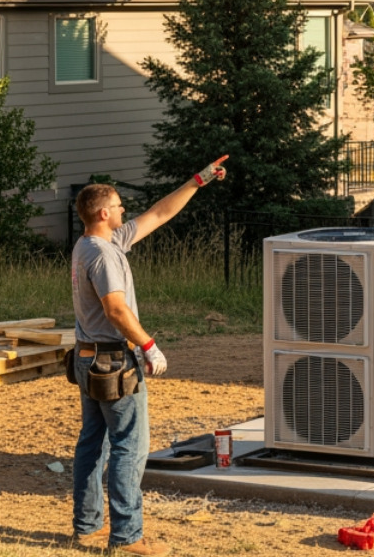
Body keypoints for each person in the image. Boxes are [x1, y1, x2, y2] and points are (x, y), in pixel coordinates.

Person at [70, 158, 228, 556]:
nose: (125, 211)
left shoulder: (94, 244)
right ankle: (126, 538)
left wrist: (198, 181)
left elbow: (158, 213)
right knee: (129, 446)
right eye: (120, 206)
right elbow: (116, 310)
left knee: (93, 443)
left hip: (87, 358)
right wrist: (149, 346)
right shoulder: (104, 256)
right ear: (104, 212)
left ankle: (87, 528)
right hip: (113, 364)